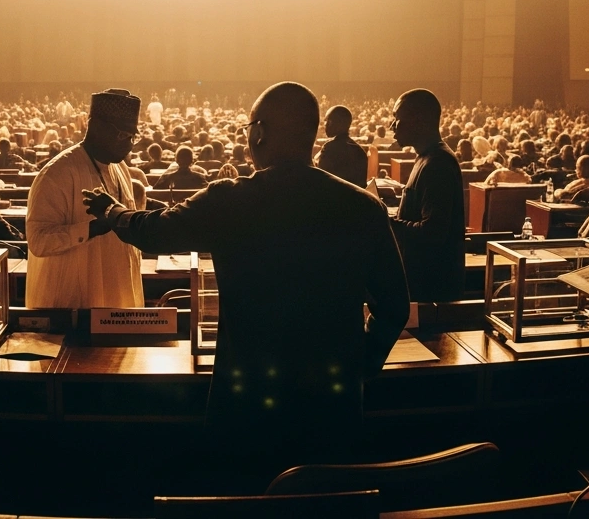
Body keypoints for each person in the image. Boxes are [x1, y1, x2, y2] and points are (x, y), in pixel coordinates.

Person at [82, 82, 408, 467]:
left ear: (258, 133)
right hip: (333, 403)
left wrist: (113, 212)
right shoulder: (364, 207)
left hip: (248, 399)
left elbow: (155, 232)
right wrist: (363, 363)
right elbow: (395, 306)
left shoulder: (229, 199)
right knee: (327, 492)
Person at [24, 89, 143, 309]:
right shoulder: (57, 173)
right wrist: (92, 229)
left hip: (116, 298)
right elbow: (38, 241)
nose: (130, 144)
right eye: (123, 135)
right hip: (71, 305)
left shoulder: (121, 169)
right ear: (96, 127)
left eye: (133, 136)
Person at [390, 89, 465, 302]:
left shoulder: (438, 163)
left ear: (419, 120)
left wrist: (388, 224)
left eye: (397, 118)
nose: (392, 125)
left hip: (432, 290)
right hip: (423, 282)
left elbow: (432, 232)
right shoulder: (426, 157)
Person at [315, 105, 367, 187]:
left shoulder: (329, 148)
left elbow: (321, 179)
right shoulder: (360, 151)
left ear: (338, 123)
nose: (325, 125)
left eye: (328, 121)